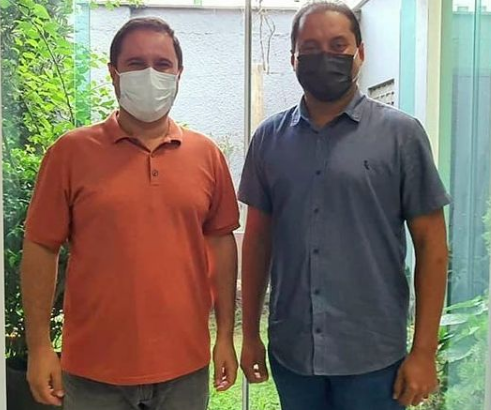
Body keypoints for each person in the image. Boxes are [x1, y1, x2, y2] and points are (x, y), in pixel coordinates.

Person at [238, 2, 450, 410]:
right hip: (294, 353)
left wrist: (424, 352)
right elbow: (257, 242)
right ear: (293, 59)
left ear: (360, 53)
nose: (325, 57)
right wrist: (249, 335)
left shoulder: (401, 135)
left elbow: (432, 246)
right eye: (310, 48)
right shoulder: (268, 139)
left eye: (338, 45)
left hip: (374, 358)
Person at [21, 17, 239, 410]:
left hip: (184, 370)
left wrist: (225, 335)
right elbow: (40, 247)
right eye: (136, 64)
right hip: (93, 372)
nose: (150, 74)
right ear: (114, 74)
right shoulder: (69, 153)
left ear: (179, 74)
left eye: (162, 64)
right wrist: (38, 347)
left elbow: (221, 246)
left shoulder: (206, 156)